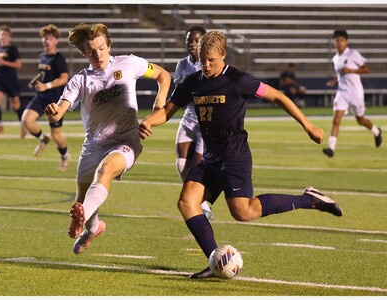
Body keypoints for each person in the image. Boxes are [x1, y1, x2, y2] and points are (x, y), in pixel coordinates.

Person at [138, 31, 343, 279]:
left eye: (211, 59)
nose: (206, 64)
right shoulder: (192, 82)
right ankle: (216, 261)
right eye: (203, 58)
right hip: (210, 157)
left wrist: (308, 126)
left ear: (223, 55)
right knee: (186, 202)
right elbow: (167, 112)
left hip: (234, 156)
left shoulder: (238, 80)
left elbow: (278, 96)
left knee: (242, 212)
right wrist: (150, 121)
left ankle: (309, 199)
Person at [44, 23, 171, 254]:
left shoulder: (129, 63)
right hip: (93, 144)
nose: (98, 55)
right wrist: (54, 114)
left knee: (106, 170)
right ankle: (92, 229)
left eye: (102, 48)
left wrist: (159, 100)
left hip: (126, 140)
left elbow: (163, 74)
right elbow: (61, 110)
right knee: (83, 200)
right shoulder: (80, 80)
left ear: (109, 45)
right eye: (92, 51)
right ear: (84, 53)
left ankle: (81, 221)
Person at [174, 25, 214, 220]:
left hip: (205, 120)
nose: (192, 44)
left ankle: (201, 202)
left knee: (196, 167)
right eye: (189, 40)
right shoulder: (182, 63)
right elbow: (179, 88)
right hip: (189, 116)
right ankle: (198, 201)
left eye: (196, 40)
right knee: (182, 164)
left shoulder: (209, 63)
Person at [323, 29, 382, 158]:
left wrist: (351, 70)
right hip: (342, 92)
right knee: (336, 120)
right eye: (336, 40)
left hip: (356, 93)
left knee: (360, 120)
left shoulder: (353, 54)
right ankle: (331, 148)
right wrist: (335, 81)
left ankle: (377, 132)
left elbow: (367, 69)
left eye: (341, 40)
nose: (339, 42)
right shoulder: (335, 59)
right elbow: (341, 75)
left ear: (346, 42)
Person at [21, 24, 70, 171]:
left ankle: (65, 155)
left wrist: (46, 86)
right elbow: (43, 74)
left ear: (56, 40)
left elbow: (64, 78)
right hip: (41, 96)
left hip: (55, 100)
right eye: (44, 37)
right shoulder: (42, 56)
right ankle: (43, 139)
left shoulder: (58, 58)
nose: (46, 40)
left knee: (56, 134)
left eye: (49, 38)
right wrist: (36, 81)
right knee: (26, 120)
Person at [0, 25, 25, 138]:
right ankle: (0, 126)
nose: (2, 37)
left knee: (16, 105)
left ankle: (24, 126)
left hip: (11, 80)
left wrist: (4, 63)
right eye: (1, 34)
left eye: (5, 35)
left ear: (9, 37)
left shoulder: (12, 49)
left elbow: (19, 64)